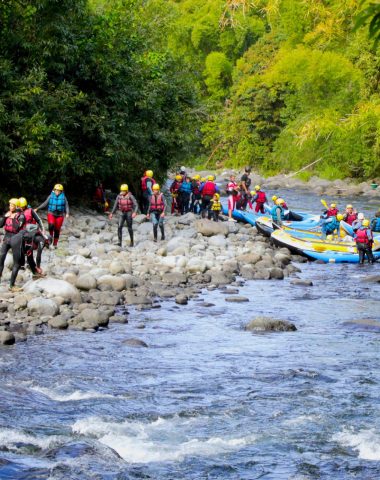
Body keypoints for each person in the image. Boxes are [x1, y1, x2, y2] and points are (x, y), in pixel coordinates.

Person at [9, 224, 51, 292]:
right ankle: (11, 286)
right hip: (17, 241)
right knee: (17, 264)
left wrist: (36, 270)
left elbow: (30, 258)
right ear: (47, 241)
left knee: (30, 257)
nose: (45, 247)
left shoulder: (35, 237)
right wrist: (38, 267)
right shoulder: (42, 240)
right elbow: (38, 255)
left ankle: (35, 274)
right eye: (46, 245)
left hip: (17, 239)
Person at [0, 198, 26, 283]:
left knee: (17, 263)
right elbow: (0, 225)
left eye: (12, 205)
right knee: (1, 258)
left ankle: (12, 284)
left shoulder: (21, 216)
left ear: (16, 206)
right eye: (9, 205)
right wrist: (5, 217)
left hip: (16, 239)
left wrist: (14, 218)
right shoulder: (8, 213)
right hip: (6, 238)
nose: (10, 207)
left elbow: (17, 228)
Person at [36, 184, 69, 248]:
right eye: (56, 190)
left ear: (61, 191)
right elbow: (45, 203)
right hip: (51, 213)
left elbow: (66, 206)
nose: (57, 192)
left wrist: (67, 213)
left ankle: (55, 244)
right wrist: (37, 208)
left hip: (60, 215)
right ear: (54, 190)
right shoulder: (51, 196)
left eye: (59, 191)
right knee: (51, 225)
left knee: (57, 229)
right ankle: (50, 239)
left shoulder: (64, 197)